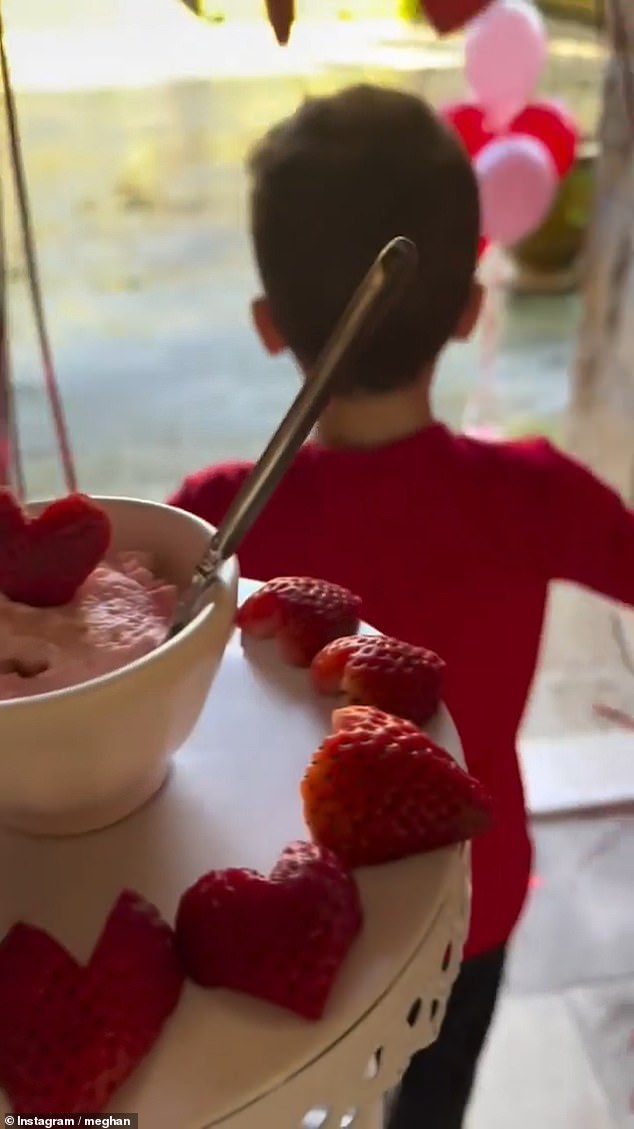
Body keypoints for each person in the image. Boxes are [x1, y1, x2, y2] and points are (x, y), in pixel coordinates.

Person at [168, 84, 634, 1127]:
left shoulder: (210, 522)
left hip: (292, 905)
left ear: (265, 326)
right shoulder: (538, 494)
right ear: (472, 309)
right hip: (476, 886)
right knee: (434, 1096)